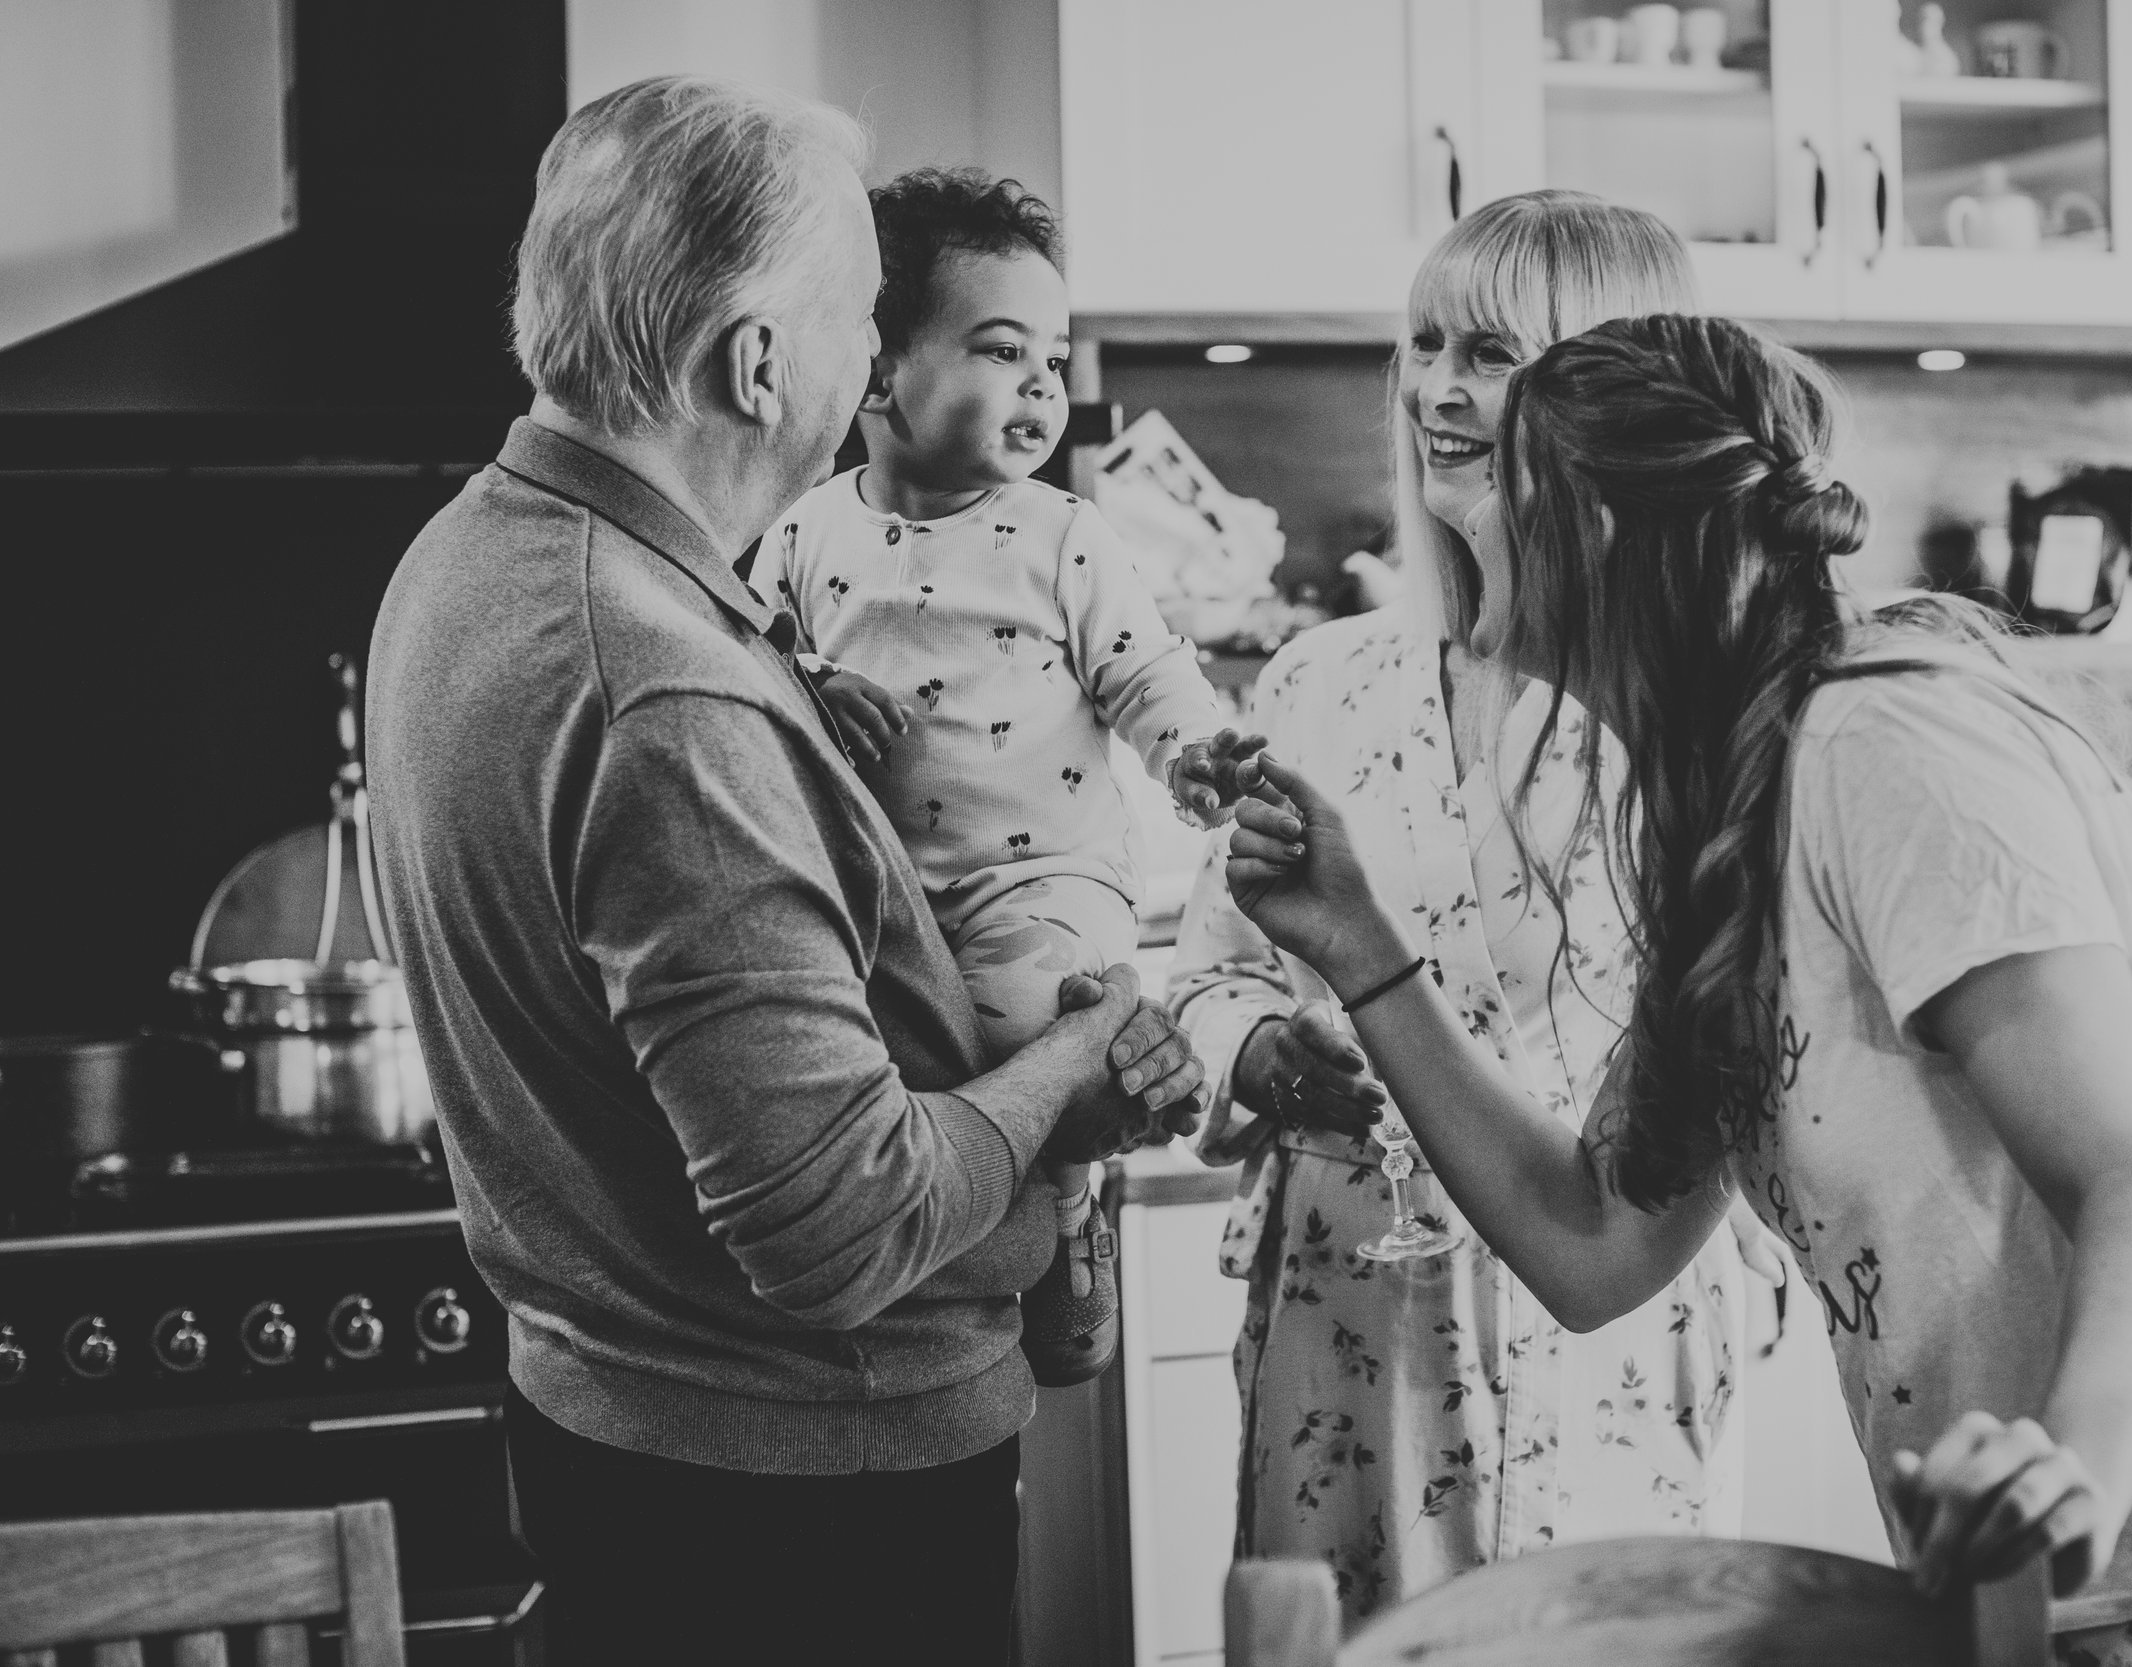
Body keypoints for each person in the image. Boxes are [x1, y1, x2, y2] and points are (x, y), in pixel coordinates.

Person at [1223, 313, 2132, 1663]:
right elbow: (1592, 1240)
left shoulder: (1886, 739)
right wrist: (1359, 946)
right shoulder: (1729, 820)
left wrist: (2075, 1484)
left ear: (1602, 534)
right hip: (2055, 1594)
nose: (1465, 507)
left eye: (1504, 477)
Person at [364, 79, 1203, 1664]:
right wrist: (1068, 1067)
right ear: (761, 361)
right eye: (862, 321)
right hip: (806, 1515)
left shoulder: (469, 554)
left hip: (625, 1438)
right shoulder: (659, 682)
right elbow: (840, 1225)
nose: (871, 363)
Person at [1165, 191, 1772, 1623]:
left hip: (1609, 1315)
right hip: (1351, 1311)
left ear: (1611, 396)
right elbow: (1209, 970)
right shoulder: (1324, 679)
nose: (1438, 389)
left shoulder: (1701, 718)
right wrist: (1259, 1050)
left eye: (1490, 353)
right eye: (1423, 344)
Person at [749, 167, 1259, 1385]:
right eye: (999, 350)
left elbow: (1151, 679)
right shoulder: (803, 534)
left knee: (1040, 1029)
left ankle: (1074, 1205)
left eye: (1052, 356)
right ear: (877, 372)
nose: (1040, 384)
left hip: (1047, 883)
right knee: (887, 1084)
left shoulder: (1063, 536)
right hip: (884, 898)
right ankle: (956, 1262)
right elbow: (746, 669)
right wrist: (809, 685)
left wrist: (1196, 757)